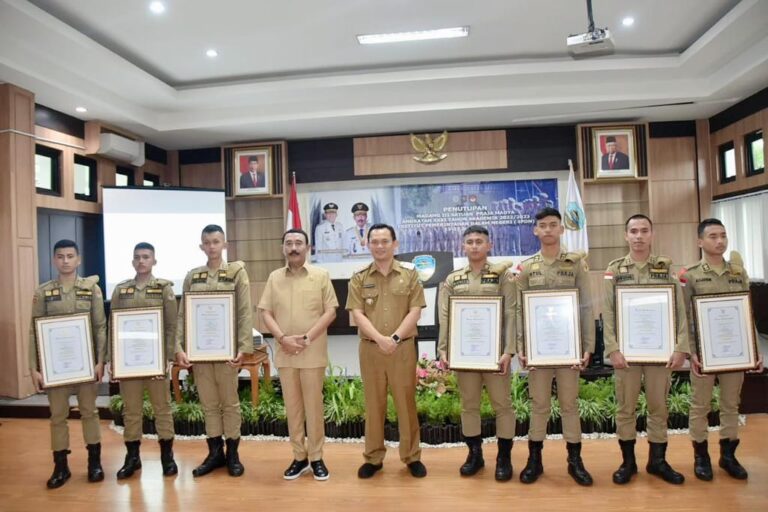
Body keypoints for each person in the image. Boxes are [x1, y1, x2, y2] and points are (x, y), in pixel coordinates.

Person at [603, 214, 689, 485]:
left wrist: (680, 347)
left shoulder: (665, 269)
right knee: (626, 408)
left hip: (659, 352)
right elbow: (607, 311)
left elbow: (679, 309)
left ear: (652, 234)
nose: (639, 236)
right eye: (633, 231)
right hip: (626, 355)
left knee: (658, 407)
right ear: (625, 235)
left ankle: (657, 461)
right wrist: (613, 348)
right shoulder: (614, 270)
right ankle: (628, 463)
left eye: (644, 231)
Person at [680, 218, 764, 481]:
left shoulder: (738, 272)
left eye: (723, 236)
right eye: (713, 236)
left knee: (731, 404)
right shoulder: (690, 275)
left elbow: (747, 313)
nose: (720, 241)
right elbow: (685, 317)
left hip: (734, 352)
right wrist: (691, 351)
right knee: (700, 405)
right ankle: (701, 456)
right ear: (700, 241)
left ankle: (728, 455)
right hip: (704, 355)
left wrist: (754, 349)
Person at [515, 208, 594, 486]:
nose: (548, 230)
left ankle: (575, 461)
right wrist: (522, 347)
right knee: (539, 405)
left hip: (568, 349)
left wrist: (587, 346)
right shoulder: (526, 268)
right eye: (542, 226)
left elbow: (586, 307)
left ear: (562, 229)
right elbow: (520, 312)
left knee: (570, 405)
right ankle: (534, 460)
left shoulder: (575, 265)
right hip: (539, 351)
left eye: (553, 225)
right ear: (535, 231)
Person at [346, 224, 427, 478]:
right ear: (368, 244)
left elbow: (415, 310)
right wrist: (380, 339)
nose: (380, 246)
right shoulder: (359, 276)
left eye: (384, 241)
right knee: (373, 404)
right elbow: (357, 313)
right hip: (370, 349)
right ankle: (373, 457)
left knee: (406, 403)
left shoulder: (410, 274)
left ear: (395, 244)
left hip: (402, 348)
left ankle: (411, 456)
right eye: (375, 241)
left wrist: (393, 338)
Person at [438, 225, 516, 481]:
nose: (474, 245)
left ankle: (504, 457)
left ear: (489, 245)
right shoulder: (453, 279)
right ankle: (475, 454)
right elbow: (446, 317)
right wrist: (444, 350)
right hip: (465, 357)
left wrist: (508, 351)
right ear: (463, 246)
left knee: (503, 406)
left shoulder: (502, 276)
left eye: (479, 241)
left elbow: (510, 313)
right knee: (469, 406)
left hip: (495, 357)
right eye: (470, 241)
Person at [259, 229, 338, 481]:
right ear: (283, 247)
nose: (293, 247)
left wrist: (305, 338)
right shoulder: (274, 278)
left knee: (313, 408)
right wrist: (282, 338)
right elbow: (266, 313)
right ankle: (299, 457)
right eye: (289, 243)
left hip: (311, 352)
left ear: (308, 247)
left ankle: (316, 458)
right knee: (292, 409)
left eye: (298, 243)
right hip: (285, 353)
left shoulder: (321, 276)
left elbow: (331, 312)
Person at [175, 224, 254, 477]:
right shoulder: (192, 277)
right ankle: (214, 453)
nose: (211, 247)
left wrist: (243, 348)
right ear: (201, 246)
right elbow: (182, 316)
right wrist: (179, 348)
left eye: (216, 242)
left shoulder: (236, 273)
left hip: (227, 354)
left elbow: (243, 311)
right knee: (209, 404)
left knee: (230, 403)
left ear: (225, 245)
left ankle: (232, 453)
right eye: (207, 242)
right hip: (200, 354)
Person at [29, 239, 106, 488]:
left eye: (70, 256)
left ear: (78, 259)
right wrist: (34, 368)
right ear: (54, 260)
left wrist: (100, 361)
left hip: (85, 367)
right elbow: (34, 331)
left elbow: (100, 328)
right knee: (58, 416)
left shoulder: (91, 289)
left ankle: (94, 462)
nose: (65, 260)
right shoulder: (42, 292)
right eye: (60, 256)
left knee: (89, 412)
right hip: (56, 370)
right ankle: (60, 466)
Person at [109, 242, 178, 479]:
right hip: (129, 364)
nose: (141, 261)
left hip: (156, 363)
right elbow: (113, 328)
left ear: (154, 261)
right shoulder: (120, 291)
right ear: (132, 262)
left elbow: (171, 326)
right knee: (131, 411)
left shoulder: (164, 289)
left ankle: (167, 457)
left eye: (146, 257)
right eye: (137, 257)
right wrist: (113, 361)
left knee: (163, 409)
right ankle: (132, 457)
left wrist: (168, 358)